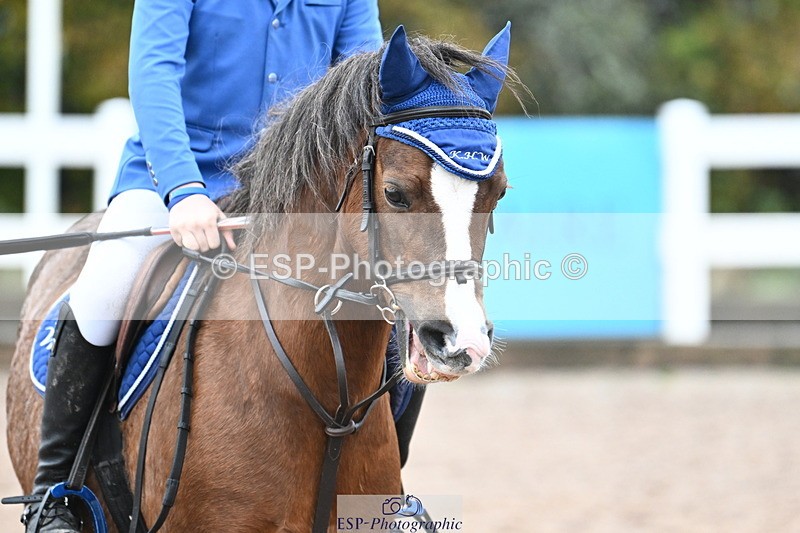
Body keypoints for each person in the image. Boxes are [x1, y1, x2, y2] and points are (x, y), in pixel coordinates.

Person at [23, 2, 427, 531]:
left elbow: (364, 90)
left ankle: (379, 491)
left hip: (293, 191)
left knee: (404, 305)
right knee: (105, 289)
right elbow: (154, 73)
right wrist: (183, 190)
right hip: (175, 180)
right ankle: (56, 494)